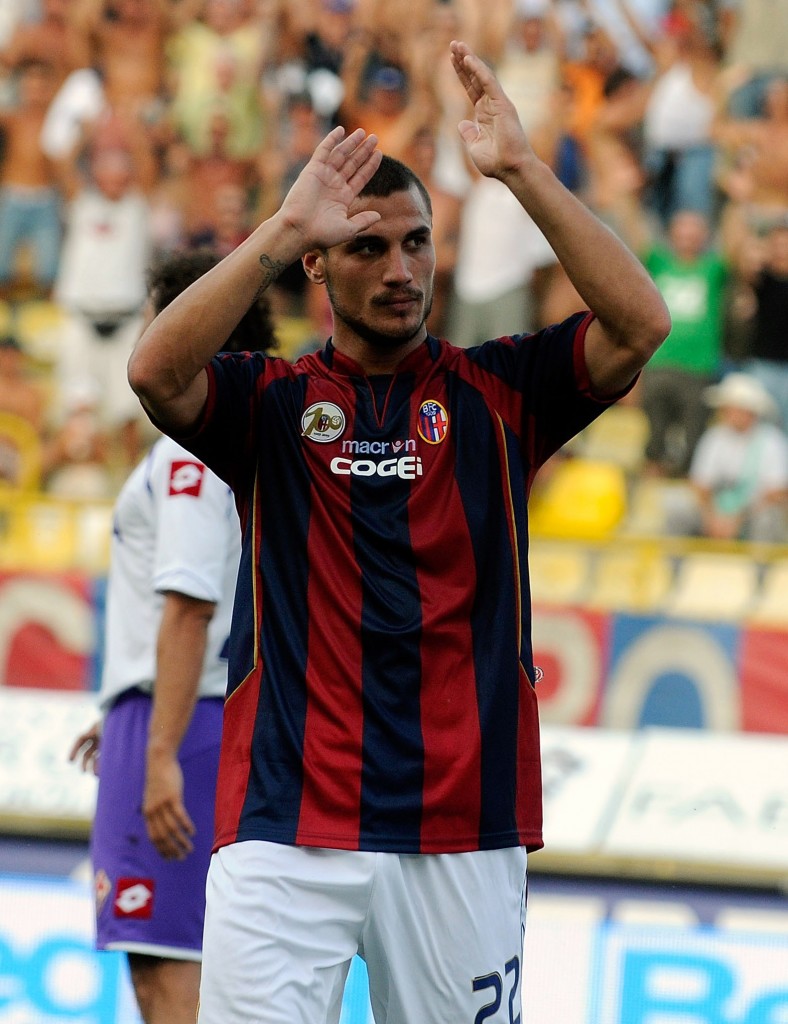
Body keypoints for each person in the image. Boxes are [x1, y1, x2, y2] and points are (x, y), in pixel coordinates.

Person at [127, 39, 670, 1024]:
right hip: (284, 829)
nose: (398, 269)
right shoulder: (268, 404)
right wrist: (280, 227)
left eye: (414, 242)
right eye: (368, 247)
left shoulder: (502, 391)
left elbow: (638, 323)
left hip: (461, 831)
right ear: (320, 266)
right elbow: (155, 371)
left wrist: (519, 169)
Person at [68, 248, 277, 1024]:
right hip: (178, 707)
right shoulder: (231, 438)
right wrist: (128, 702)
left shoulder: (188, 448)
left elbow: (191, 604)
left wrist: (157, 744)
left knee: (170, 973)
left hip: (184, 724)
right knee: (174, 965)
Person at [664, 371, 788, 542]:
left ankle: (760, 567)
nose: (724, 412)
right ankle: (674, 565)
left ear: (749, 411)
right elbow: (700, 484)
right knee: (677, 508)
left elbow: (777, 493)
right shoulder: (714, 437)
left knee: (767, 519)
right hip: (715, 513)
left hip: (752, 515)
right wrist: (712, 517)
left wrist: (738, 519)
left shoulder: (772, 441)